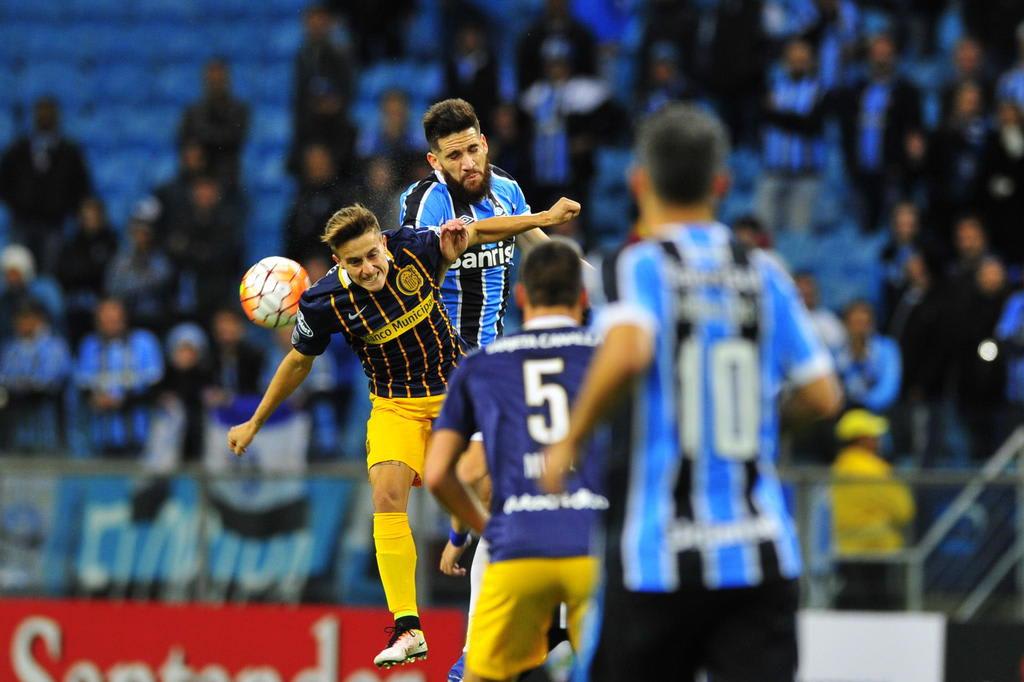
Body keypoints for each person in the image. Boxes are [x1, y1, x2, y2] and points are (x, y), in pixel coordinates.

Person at [542, 104, 842, 681]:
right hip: (761, 553)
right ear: (722, 184)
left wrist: (570, 439)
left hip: (660, 556)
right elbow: (824, 394)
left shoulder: (634, 264)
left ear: (639, 182)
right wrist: (765, 424)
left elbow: (629, 350)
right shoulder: (766, 271)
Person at [226, 200, 578, 669]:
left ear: (383, 242)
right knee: (386, 494)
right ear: (339, 263)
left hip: (456, 393)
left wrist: (538, 220)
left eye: (373, 254)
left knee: (490, 487)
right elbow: (298, 361)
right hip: (395, 405)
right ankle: (408, 627)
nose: (369, 268)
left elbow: (481, 231)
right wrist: (255, 422)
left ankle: (514, 595)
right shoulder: (322, 301)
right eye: (355, 262)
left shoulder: (414, 248)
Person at [425, 239, 604, 682]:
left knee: (478, 674)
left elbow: (451, 474)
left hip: (518, 543)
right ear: (582, 298)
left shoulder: (485, 366)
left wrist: (477, 529)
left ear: (520, 296)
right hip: (593, 545)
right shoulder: (609, 358)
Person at [831, 409, 914, 610]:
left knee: (849, 605)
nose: (878, 441)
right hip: (877, 550)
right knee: (879, 607)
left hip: (844, 549)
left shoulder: (837, 467)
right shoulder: (876, 470)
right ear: (862, 439)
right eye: (874, 436)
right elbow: (904, 510)